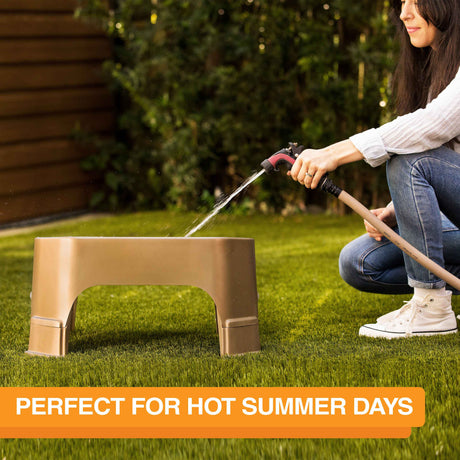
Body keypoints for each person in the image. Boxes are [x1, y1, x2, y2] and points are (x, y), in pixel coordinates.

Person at [288, 0, 460, 338]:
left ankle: (432, 306)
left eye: (416, 2)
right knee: (359, 262)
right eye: (402, 3)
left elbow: (433, 126)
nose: (404, 13)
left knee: (409, 159)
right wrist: (403, 210)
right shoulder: (436, 68)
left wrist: (335, 153)